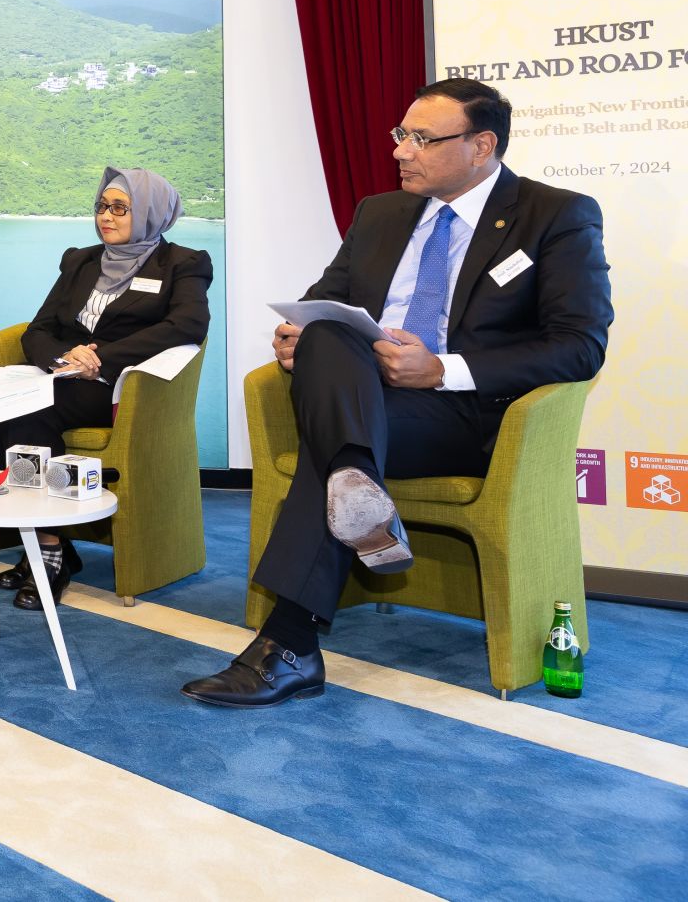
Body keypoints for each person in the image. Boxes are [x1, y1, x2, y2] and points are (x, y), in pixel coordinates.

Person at [182, 78, 611, 707]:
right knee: (326, 332)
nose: (400, 152)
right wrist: (294, 339)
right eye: (400, 135)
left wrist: (442, 369)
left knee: (331, 447)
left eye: (420, 139)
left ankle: (296, 629)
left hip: (466, 413)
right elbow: (319, 303)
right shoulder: (379, 213)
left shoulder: (555, 216)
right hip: (365, 399)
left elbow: (580, 344)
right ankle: (352, 488)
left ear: (481, 145)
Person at [0, 167, 211, 609]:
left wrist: (102, 358)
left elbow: (187, 325)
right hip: (66, 376)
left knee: (31, 412)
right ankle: (51, 545)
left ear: (149, 212)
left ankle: (47, 551)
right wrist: (62, 359)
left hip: (122, 388)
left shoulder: (183, 263)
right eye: (101, 206)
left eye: (120, 208)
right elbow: (38, 330)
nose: (106, 216)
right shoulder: (81, 260)